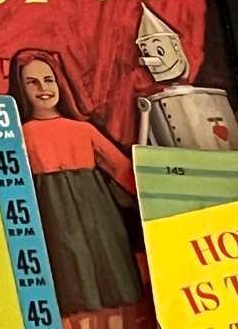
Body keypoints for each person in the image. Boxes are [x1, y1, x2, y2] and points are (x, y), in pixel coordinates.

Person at [8, 49, 146, 329]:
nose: (43, 88)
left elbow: (122, 170)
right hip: (54, 221)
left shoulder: (82, 130)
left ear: (60, 83)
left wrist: (153, 195)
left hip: (100, 219)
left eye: (48, 79)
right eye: (32, 82)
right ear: (20, 89)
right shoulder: (20, 135)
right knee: (73, 288)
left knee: (112, 284)